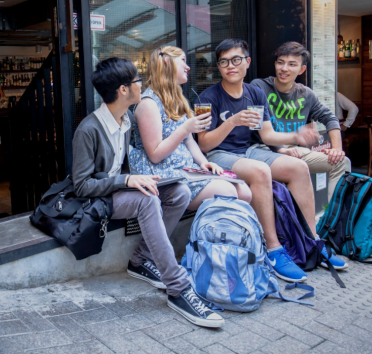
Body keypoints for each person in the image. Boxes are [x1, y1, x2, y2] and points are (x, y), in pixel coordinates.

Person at [72, 57, 224, 328]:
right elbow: (81, 186)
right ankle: (178, 288)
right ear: (123, 90)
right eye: (136, 81)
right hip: (100, 198)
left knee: (177, 191)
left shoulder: (127, 118)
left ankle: (140, 258)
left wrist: (142, 177)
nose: (141, 85)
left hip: (121, 188)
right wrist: (127, 180)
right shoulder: (89, 129)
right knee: (147, 200)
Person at [197, 38, 346, 283]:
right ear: (219, 67)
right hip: (219, 155)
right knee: (260, 171)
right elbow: (204, 144)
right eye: (224, 62)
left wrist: (295, 136)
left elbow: (266, 135)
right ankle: (274, 249)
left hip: (249, 149)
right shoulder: (206, 98)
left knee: (299, 167)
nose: (230, 66)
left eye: (236, 60)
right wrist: (232, 121)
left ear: (247, 62)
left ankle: (312, 241)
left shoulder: (254, 93)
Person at [130, 46, 252, 211]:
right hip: (164, 174)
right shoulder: (148, 104)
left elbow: (189, 142)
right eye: (183, 61)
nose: (188, 67)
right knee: (228, 191)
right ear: (167, 62)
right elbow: (155, 155)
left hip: (186, 170)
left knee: (244, 192)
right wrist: (185, 128)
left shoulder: (175, 100)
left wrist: (204, 163)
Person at [250, 41, 352, 204]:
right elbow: (257, 130)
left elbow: (330, 118)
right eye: (281, 63)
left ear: (302, 69)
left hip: (295, 151)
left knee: (341, 162)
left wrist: (336, 149)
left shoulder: (306, 94)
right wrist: (281, 149)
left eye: (292, 64)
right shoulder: (259, 87)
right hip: (264, 150)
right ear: (275, 64)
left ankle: (332, 221)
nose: (284, 69)